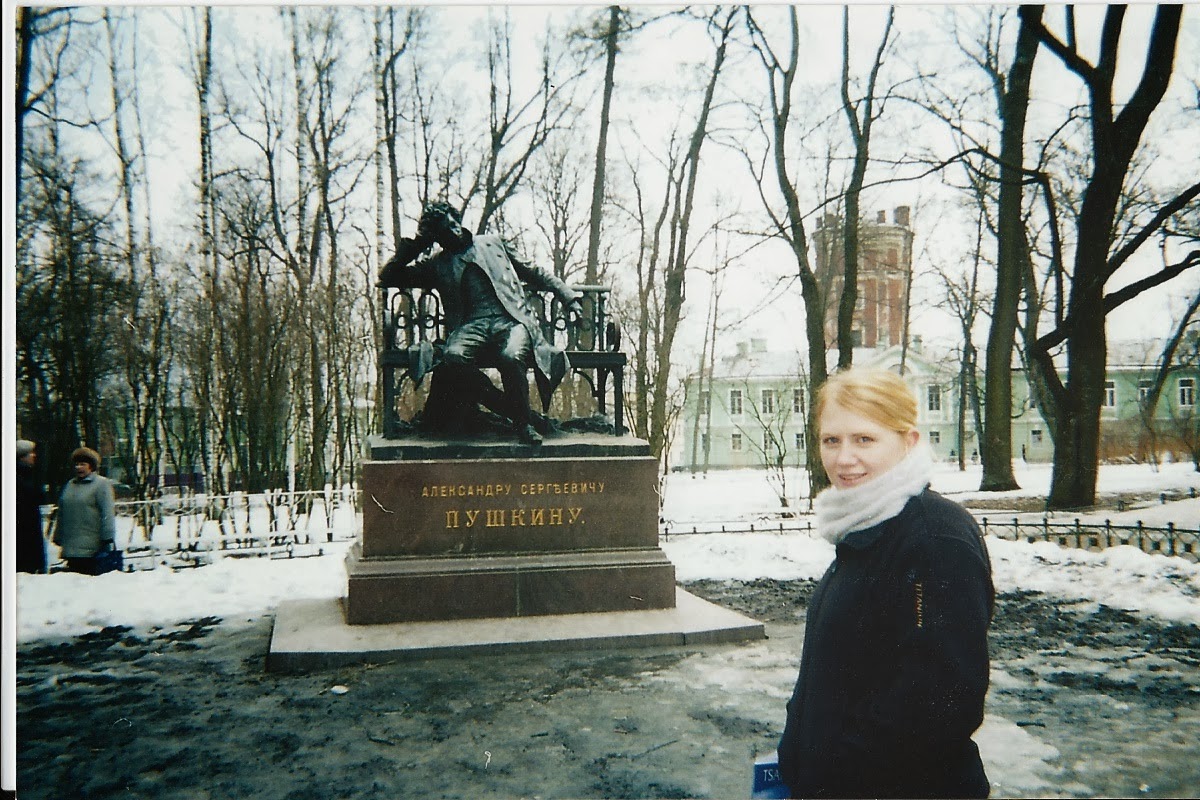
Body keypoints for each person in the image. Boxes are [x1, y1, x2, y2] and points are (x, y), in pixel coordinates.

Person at [777, 369, 994, 799]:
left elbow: (944, 700)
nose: (843, 458)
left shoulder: (933, 537)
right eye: (831, 440)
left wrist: (837, 772)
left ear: (908, 441)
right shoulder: (864, 526)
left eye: (864, 439)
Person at [378, 202, 582, 443]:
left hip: (511, 320)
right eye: (445, 230)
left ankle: (524, 425)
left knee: (511, 356)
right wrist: (417, 245)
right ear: (437, 238)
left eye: (453, 223)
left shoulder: (494, 243)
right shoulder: (437, 264)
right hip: (471, 326)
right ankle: (517, 412)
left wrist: (569, 297)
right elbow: (388, 276)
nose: (454, 230)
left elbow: (534, 271)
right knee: (453, 357)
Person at [52, 447, 117, 575]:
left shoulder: (101, 484)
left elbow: (107, 513)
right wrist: (58, 535)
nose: (78, 467)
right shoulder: (70, 485)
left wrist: (107, 538)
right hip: (71, 547)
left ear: (91, 466)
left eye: (83, 464)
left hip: (92, 548)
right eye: (76, 464)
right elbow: (62, 513)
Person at [16, 439, 48, 574]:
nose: (34, 456)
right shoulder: (20, 477)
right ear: (22, 457)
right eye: (30, 453)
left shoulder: (27, 474)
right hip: (24, 530)